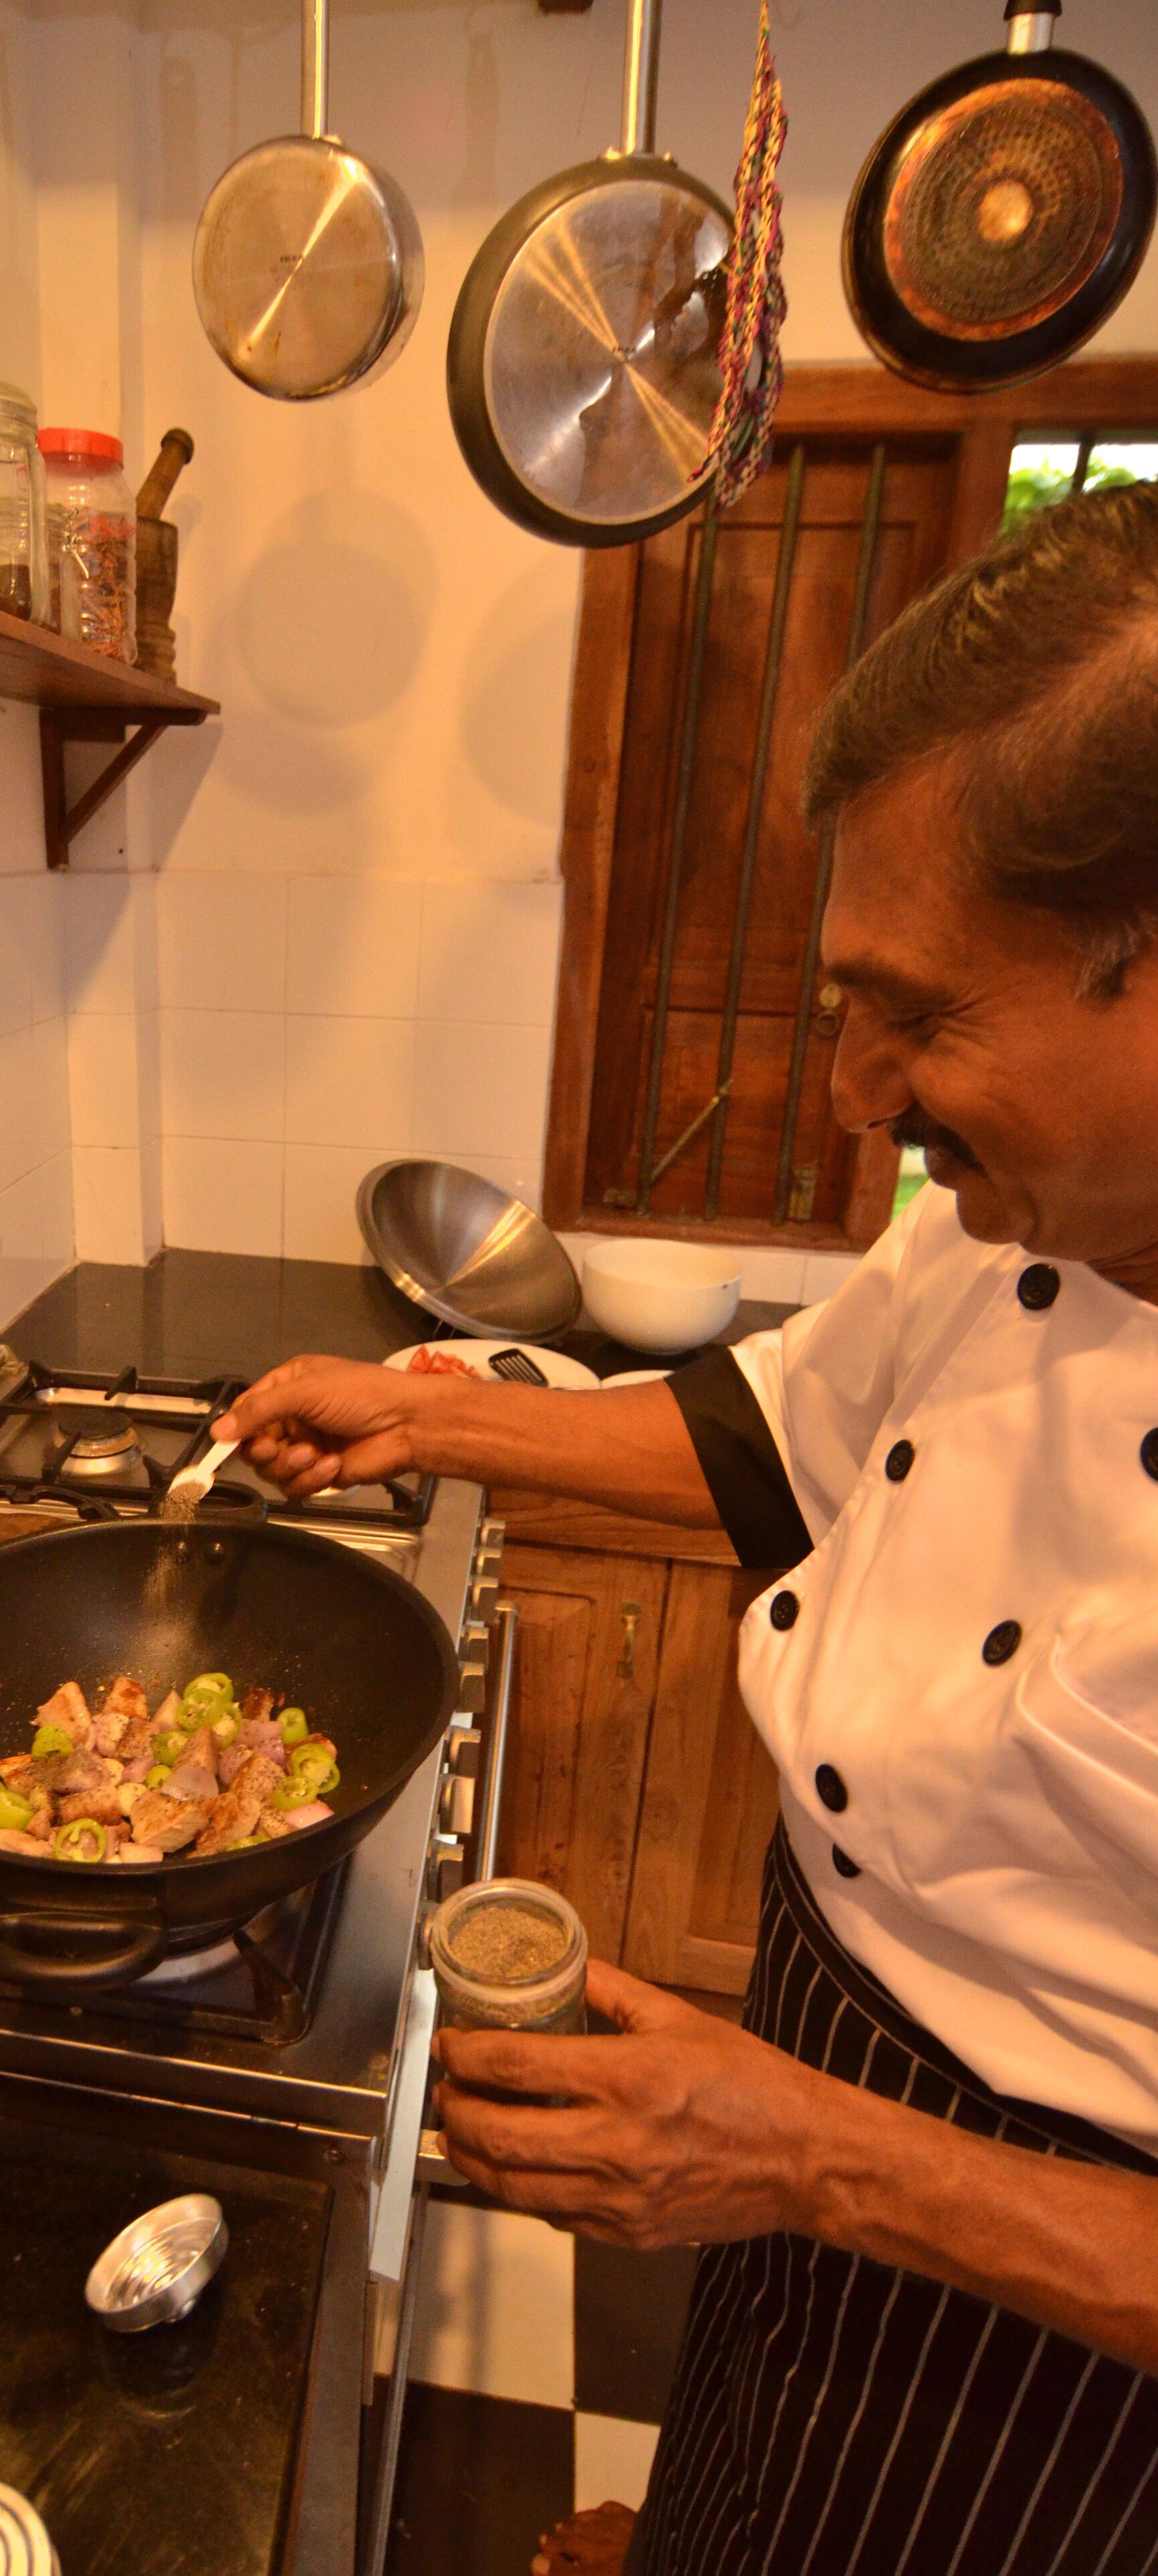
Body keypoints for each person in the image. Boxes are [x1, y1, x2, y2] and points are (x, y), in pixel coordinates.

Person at [215, 484, 1158, 2576]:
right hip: (808, 2074)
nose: (849, 1089)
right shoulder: (1012, 1230)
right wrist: (425, 1412)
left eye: (922, 1016)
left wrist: (824, 2163)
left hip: (1079, 2363)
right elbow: (769, 1443)